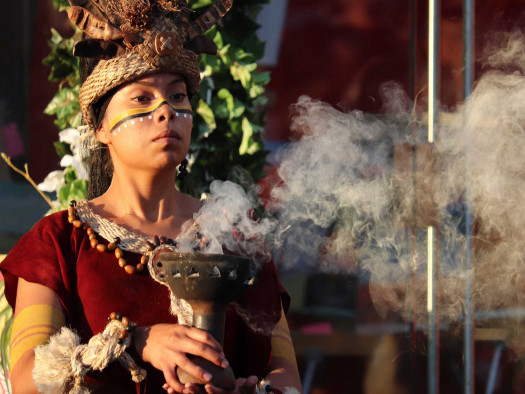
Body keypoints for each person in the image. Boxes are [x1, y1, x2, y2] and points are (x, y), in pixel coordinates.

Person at [0, 1, 302, 393]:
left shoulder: (236, 236)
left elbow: (286, 373)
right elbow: (26, 380)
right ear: (102, 128)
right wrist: (136, 341)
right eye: (142, 99)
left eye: (178, 97)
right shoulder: (56, 242)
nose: (166, 111)